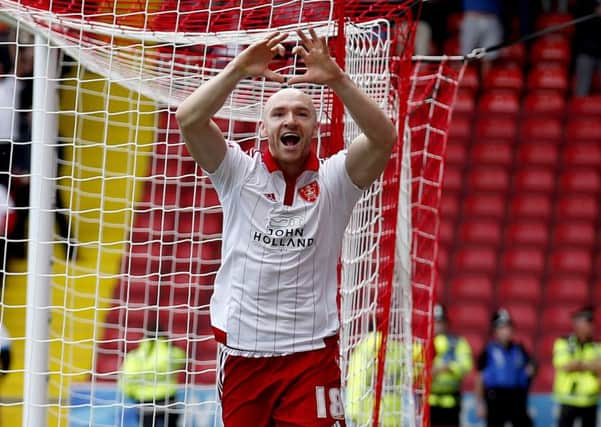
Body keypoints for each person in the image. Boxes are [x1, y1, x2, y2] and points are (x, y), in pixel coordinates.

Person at [176, 28, 397, 426]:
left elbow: (383, 139)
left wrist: (337, 79)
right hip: (244, 354)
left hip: (312, 356)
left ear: (315, 127)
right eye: (278, 113)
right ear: (264, 128)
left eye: (301, 113)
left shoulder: (335, 180)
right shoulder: (237, 172)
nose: (289, 119)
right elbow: (189, 119)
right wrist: (239, 68)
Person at [119, 318, 187, 427]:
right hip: (168, 398)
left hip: (145, 400)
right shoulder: (172, 353)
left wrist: (131, 393)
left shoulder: (136, 355)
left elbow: (127, 377)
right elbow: (183, 360)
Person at [474, 308, 535, 427]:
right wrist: (480, 403)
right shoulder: (488, 350)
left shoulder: (519, 348)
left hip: (517, 397)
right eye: (502, 327)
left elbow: (530, 368)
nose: (506, 331)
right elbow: (479, 378)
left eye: (508, 327)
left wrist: (531, 370)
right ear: (495, 330)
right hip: (495, 398)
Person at [553, 306, 601, 427]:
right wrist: (591, 365)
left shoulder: (597, 346)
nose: (591, 326)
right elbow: (564, 365)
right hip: (568, 401)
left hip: (590, 401)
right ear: (577, 324)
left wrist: (579, 364)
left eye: (592, 322)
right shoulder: (563, 342)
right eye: (588, 322)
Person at [429, 304, 473, 427]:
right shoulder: (422, 343)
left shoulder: (458, 343)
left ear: (446, 323)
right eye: (435, 321)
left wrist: (448, 367)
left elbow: (466, 365)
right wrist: (427, 372)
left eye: (440, 321)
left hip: (451, 402)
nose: (437, 325)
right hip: (428, 402)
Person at [460, 0, 503, 76]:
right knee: (465, 56)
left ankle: (485, 85)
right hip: (472, 16)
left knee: (488, 58)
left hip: (491, 17)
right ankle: (461, 83)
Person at [572, 0, 601, 96]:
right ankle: (578, 109)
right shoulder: (584, 3)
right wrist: (595, 13)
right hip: (586, 50)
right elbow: (577, 24)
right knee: (581, 90)